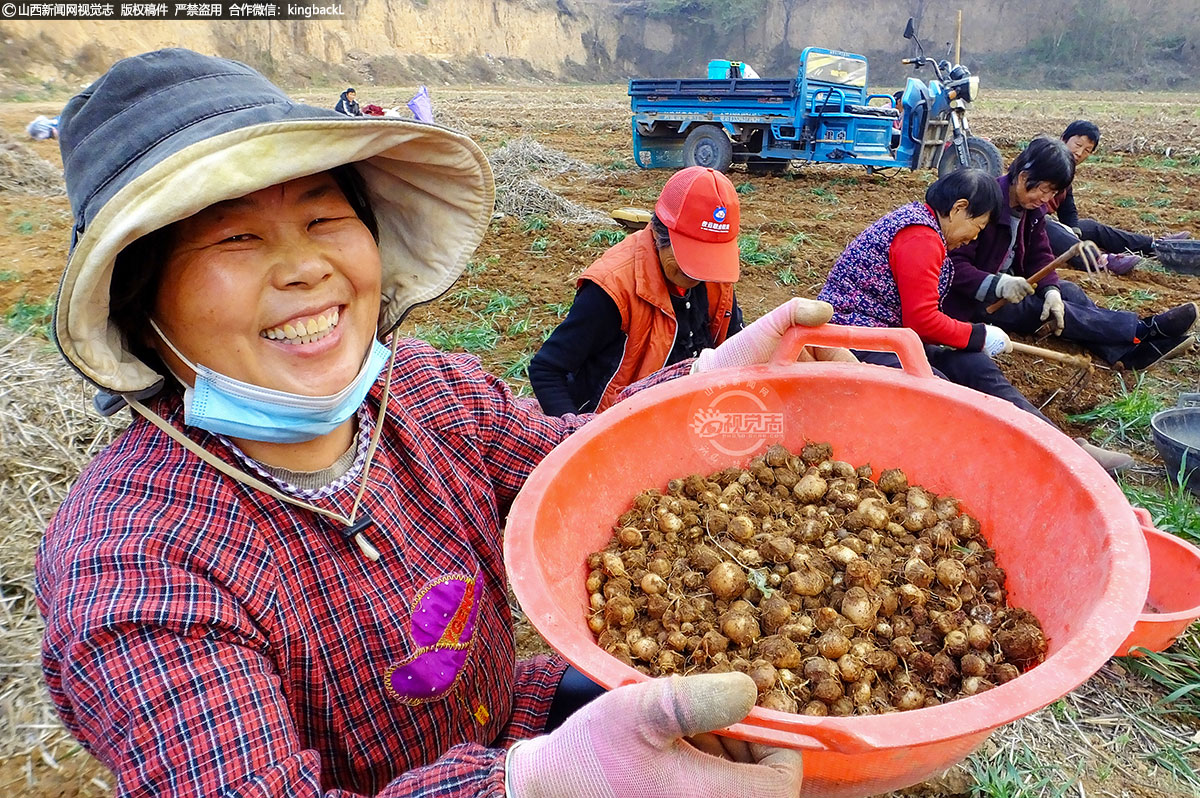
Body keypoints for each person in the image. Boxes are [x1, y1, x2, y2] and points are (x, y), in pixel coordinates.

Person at [36, 48, 858, 798]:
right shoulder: (131, 566)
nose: (305, 267)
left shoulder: (422, 389)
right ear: (143, 308)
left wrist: (713, 379)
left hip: (511, 718)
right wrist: (535, 786)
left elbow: (571, 462)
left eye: (324, 218)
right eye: (236, 238)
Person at [818, 168, 1132, 473]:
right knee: (940, 392)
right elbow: (922, 321)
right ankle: (1016, 464)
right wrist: (980, 335)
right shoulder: (921, 237)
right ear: (959, 209)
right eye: (977, 228)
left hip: (891, 336)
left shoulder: (926, 227)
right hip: (856, 340)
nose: (972, 239)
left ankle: (1065, 449)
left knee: (975, 367)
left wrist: (972, 339)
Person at [947, 136, 1196, 373]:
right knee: (1040, 310)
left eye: (1054, 193)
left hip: (1013, 284)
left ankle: (1125, 354)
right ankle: (1143, 330)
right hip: (976, 302)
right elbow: (955, 265)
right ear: (1023, 177)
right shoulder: (985, 202)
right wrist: (999, 284)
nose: (1047, 199)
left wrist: (1052, 290)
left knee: (1069, 293)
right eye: (1044, 190)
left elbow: (1040, 254)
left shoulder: (1032, 210)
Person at [529, 166, 746, 416]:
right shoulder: (612, 289)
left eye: (710, 260)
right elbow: (547, 370)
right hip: (615, 424)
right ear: (658, 233)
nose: (699, 274)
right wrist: (576, 435)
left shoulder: (715, 278)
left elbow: (735, 349)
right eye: (692, 260)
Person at [1044, 120, 1191, 274]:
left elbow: (1068, 209)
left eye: (1087, 150)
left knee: (1092, 228)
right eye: (1078, 145)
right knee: (1046, 225)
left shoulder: (1066, 171)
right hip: (1030, 228)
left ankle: (1154, 246)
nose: (1080, 153)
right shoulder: (1046, 162)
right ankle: (1100, 260)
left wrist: (1074, 231)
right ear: (1063, 139)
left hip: (1045, 225)